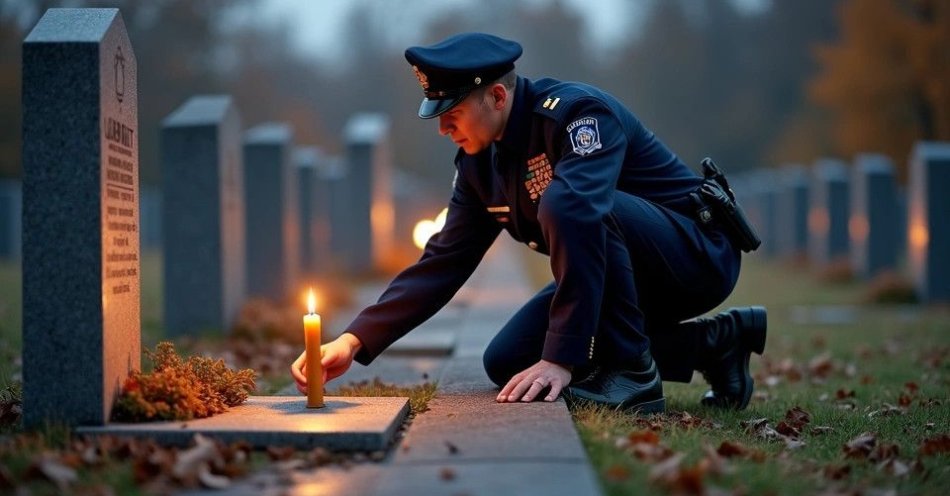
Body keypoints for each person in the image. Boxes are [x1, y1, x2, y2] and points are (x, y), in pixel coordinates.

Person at [292, 32, 767, 412]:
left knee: (570, 203)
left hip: (694, 258)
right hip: (620, 275)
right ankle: (713, 345)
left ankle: (633, 375)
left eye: (452, 113)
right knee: (510, 359)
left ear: (497, 96)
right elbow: (442, 262)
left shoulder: (578, 117)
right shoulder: (479, 165)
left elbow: (580, 212)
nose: (443, 129)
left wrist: (563, 357)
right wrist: (354, 339)